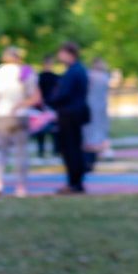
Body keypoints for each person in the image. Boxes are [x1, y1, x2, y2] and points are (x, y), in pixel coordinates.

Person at [0, 47, 39, 198]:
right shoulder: (26, 72)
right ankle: (21, 186)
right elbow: (34, 97)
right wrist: (20, 105)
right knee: (21, 152)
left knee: (1, 151)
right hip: (20, 114)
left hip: (1, 114)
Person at [48, 41, 91, 194]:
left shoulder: (74, 71)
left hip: (69, 114)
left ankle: (74, 183)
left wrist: (51, 100)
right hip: (74, 113)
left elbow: (63, 94)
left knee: (70, 148)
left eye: (61, 53)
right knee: (74, 148)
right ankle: (75, 182)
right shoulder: (78, 70)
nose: (59, 57)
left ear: (68, 53)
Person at [84, 55, 112, 172]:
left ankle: (91, 161)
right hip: (92, 109)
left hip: (99, 110)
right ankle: (89, 162)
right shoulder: (90, 76)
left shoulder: (103, 76)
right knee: (90, 135)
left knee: (95, 136)